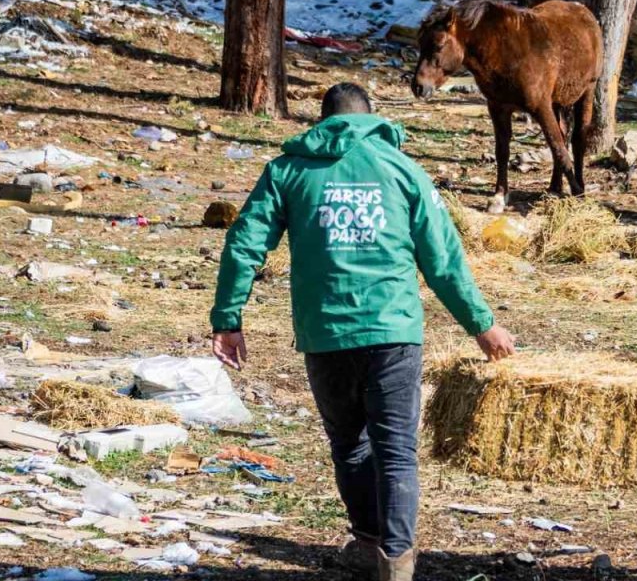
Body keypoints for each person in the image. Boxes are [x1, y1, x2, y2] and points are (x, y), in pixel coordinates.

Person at [210, 82, 516, 581]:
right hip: (393, 331)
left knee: (350, 444)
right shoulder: (403, 170)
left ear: (322, 120)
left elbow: (244, 243)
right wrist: (481, 325)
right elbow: (443, 259)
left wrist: (228, 319)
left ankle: (368, 538)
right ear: (372, 117)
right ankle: (395, 561)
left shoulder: (287, 170)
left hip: (325, 332)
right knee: (396, 450)